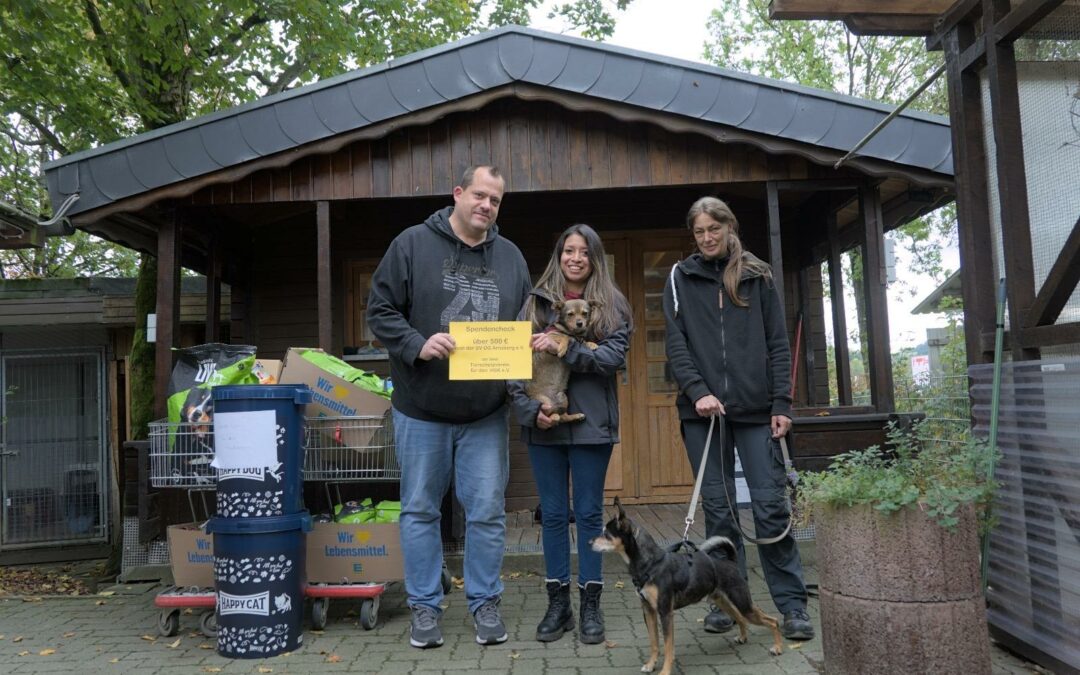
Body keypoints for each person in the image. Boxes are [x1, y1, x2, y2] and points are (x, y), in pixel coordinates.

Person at [366, 165, 532, 649]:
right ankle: (424, 607)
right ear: (458, 194)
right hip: (421, 410)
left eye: (496, 200)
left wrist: (533, 346)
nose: (487, 205)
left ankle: (484, 603)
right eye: (479, 195)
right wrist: (416, 343)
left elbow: (524, 323)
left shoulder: (512, 258)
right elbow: (379, 311)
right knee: (419, 510)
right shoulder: (412, 244)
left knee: (486, 512)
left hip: (484, 413)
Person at [662, 196, 814, 641]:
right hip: (703, 416)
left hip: (756, 414)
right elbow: (677, 344)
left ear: (730, 228)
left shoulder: (758, 275)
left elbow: (778, 344)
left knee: (770, 509)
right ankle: (728, 604)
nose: (707, 238)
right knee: (720, 512)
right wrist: (699, 393)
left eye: (714, 229)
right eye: (699, 231)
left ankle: (792, 606)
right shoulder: (680, 276)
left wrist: (782, 406)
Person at [509, 224, 631, 645]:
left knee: (591, 515)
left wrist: (566, 347)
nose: (575, 258)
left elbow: (612, 358)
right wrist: (529, 410)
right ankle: (557, 603)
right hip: (543, 424)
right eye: (568, 250)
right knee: (555, 516)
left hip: (592, 424)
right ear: (559, 255)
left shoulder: (613, 305)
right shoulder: (535, 302)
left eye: (583, 251)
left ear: (594, 257)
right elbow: (513, 361)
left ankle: (591, 604)